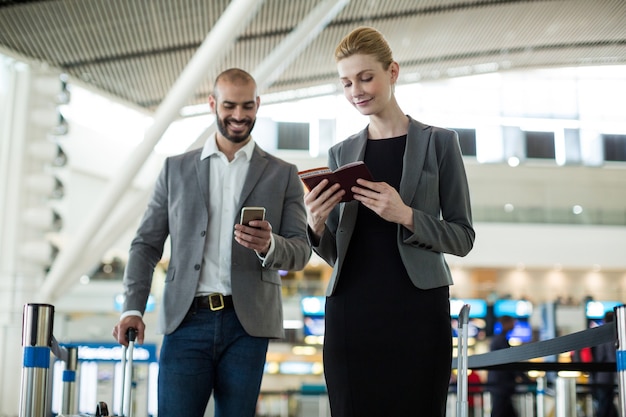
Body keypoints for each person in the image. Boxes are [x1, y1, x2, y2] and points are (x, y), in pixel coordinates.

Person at [112, 68, 311, 417]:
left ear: (258, 105)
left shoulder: (283, 174)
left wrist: (268, 245)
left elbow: (300, 251)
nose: (239, 116)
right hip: (185, 321)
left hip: (247, 326)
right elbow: (145, 245)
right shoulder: (175, 169)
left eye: (248, 106)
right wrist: (133, 307)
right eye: (229, 106)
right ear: (212, 104)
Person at [304, 26, 475, 417]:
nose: (356, 91)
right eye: (346, 82)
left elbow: (462, 237)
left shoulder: (439, 143)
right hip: (351, 309)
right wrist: (315, 224)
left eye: (366, 77)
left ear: (393, 71)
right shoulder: (340, 152)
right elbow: (334, 250)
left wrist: (406, 215)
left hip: (417, 308)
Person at [487, 315, 528, 417]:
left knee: (504, 411)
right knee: (499, 411)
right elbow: (509, 362)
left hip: (499, 384)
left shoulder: (498, 339)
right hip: (501, 384)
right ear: (506, 323)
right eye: (512, 322)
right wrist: (524, 377)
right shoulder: (501, 341)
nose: (514, 325)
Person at [591, 311, 618, 417]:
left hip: (601, 376)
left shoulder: (602, 334)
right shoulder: (610, 335)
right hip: (606, 377)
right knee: (605, 404)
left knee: (605, 404)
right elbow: (612, 357)